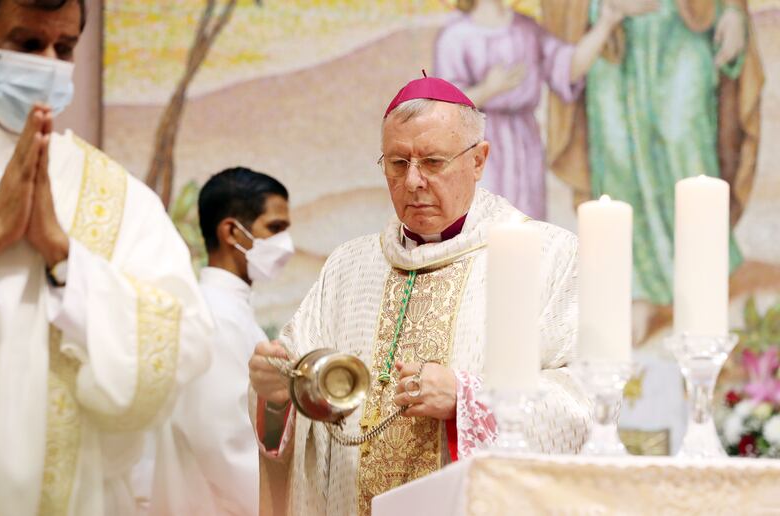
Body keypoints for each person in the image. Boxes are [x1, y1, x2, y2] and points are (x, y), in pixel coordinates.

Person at [248, 75, 591, 516]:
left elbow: (584, 402)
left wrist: (468, 398)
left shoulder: (547, 256)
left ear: (479, 160)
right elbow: (301, 392)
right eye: (397, 163)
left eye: (432, 161)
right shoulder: (348, 268)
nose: (412, 181)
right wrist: (277, 395)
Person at [0, 1, 213, 515]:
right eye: (26, 44)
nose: (48, 63)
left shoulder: (114, 194)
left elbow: (184, 341)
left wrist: (65, 258)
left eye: (63, 49)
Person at [544, 0, 764, 332]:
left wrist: (733, 10)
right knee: (616, 153)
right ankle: (637, 289)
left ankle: (700, 282)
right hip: (613, 32)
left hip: (683, 22)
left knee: (684, 138)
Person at [149, 168, 293, 516]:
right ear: (231, 231)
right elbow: (225, 448)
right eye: (274, 228)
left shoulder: (229, 311)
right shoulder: (215, 318)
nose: (286, 244)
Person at [434, 0, 657, 220]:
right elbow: (444, 105)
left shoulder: (526, 29)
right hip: (478, 146)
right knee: (483, 221)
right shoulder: (455, 36)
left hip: (525, 143)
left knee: (527, 220)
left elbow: (568, 67)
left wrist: (605, 23)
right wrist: (488, 89)